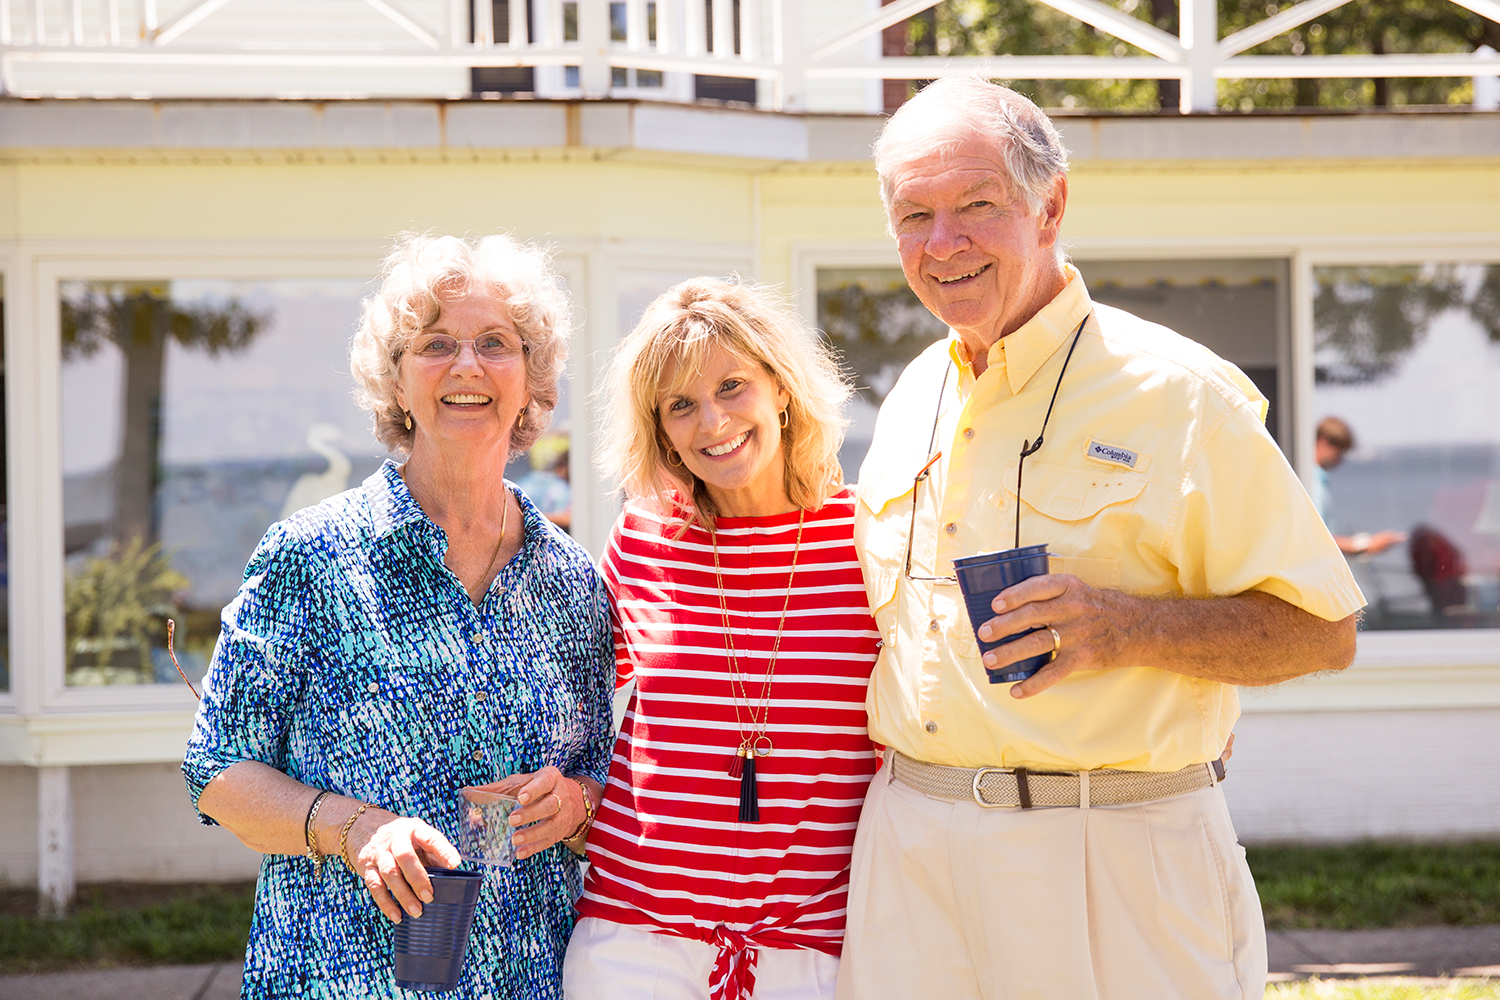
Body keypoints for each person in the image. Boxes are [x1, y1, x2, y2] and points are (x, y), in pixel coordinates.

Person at [836, 77, 1367, 1000]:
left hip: (1111, 855)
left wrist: (1130, 630)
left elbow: (1323, 629)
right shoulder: (913, 391)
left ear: (1051, 204)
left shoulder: (1181, 396)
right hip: (909, 852)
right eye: (913, 215)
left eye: (975, 206)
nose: (942, 243)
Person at [182, 233, 614, 999]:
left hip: (529, 977)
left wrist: (576, 806)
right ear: (398, 380)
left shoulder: (572, 581)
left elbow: (600, 785)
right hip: (343, 976)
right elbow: (217, 771)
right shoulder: (312, 556)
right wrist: (356, 831)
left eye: (495, 344)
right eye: (436, 344)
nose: (468, 366)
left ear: (530, 381)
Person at [563, 278, 881, 1000]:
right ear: (661, 429)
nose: (712, 422)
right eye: (681, 405)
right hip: (631, 941)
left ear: (782, 389)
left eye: (732, 386)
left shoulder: (871, 538)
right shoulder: (644, 535)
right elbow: (570, 711)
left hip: (813, 948)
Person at [1312, 415, 1406, 556]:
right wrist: (1366, 545)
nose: (1340, 460)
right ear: (1324, 442)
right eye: (1340, 452)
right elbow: (1315, 538)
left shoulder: (1313, 479)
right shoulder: (1312, 483)